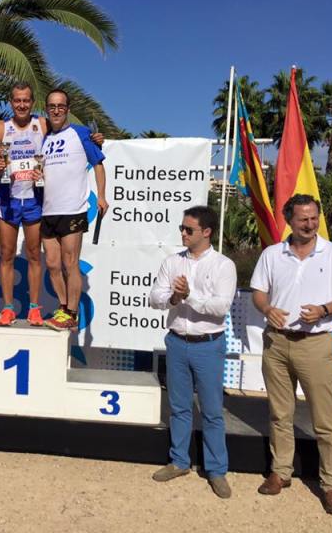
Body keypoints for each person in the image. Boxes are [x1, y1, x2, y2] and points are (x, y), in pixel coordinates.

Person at [250, 194, 332, 516]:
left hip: (315, 344)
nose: (310, 224)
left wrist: (324, 309)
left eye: (314, 218)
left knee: (325, 420)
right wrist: (266, 308)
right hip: (277, 343)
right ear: (289, 220)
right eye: (303, 219)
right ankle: (281, 472)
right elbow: (258, 291)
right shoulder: (272, 254)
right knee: (279, 414)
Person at [149, 206, 237, 499]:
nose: (183, 233)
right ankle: (179, 461)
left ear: (207, 232)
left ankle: (216, 470)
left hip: (208, 345)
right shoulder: (173, 262)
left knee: (212, 411)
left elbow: (220, 307)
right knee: (179, 407)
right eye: (182, 229)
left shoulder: (223, 265)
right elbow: (155, 298)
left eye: (189, 229)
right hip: (176, 341)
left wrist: (190, 296)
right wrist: (174, 297)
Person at [37, 88, 108, 331]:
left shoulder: (81, 133)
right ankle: (64, 308)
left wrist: (102, 196)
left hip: (72, 209)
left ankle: (73, 312)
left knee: (70, 263)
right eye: (52, 106)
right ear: (46, 109)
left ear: (67, 109)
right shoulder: (43, 137)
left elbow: (97, 164)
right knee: (53, 265)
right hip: (47, 210)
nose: (56, 110)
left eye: (61, 106)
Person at [0, 82, 49, 327]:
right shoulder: (2, 127)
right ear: (11, 102)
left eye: (26, 100)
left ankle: (34, 308)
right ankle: (8, 308)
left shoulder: (42, 124)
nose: (22, 105)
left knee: (35, 254)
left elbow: (67, 134)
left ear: (32, 102)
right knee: (7, 256)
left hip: (34, 199)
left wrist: (93, 137)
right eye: (17, 101)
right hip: (8, 199)